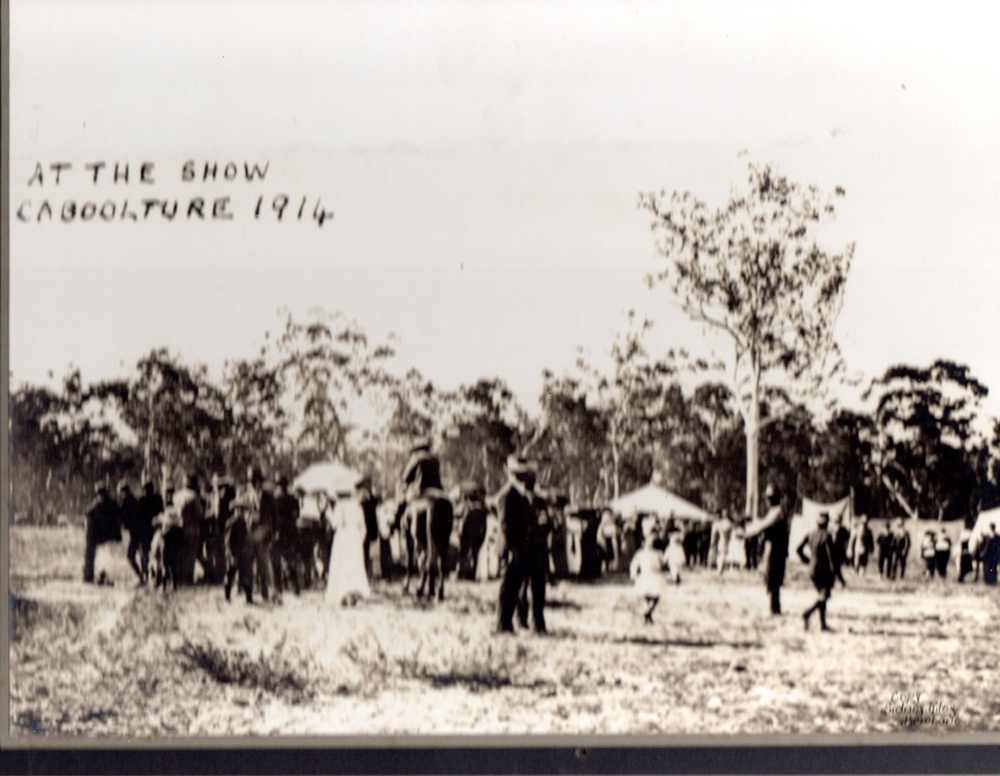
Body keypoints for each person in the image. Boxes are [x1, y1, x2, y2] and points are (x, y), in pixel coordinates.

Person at [496, 455, 546, 634]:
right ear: (511, 474)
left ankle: (506, 625)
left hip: (520, 549)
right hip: (511, 548)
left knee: (514, 587)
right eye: (518, 474)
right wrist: (511, 549)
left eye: (523, 474)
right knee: (509, 588)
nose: (522, 477)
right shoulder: (507, 495)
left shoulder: (520, 495)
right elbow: (505, 525)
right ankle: (502, 624)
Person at [232, 467, 278, 604]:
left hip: (262, 535)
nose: (253, 484)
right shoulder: (243, 494)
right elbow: (238, 512)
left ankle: (264, 594)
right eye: (251, 481)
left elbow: (275, 516)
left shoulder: (268, 497)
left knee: (262, 566)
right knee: (247, 567)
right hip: (248, 534)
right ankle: (249, 596)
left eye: (256, 481)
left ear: (260, 482)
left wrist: (274, 532)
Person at [744, 482, 790, 615]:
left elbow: (763, 525)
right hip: (773, 548)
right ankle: (775, 607)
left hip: (775, 549)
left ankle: (774, 608)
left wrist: (748, 532)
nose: (767, 501)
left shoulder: (778, 511)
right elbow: (763, 524)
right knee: (771, 578)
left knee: (773, 578)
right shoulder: (774, 511)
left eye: (769, 498)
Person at [325, 477, 371, 606]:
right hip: (355, 536)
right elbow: (363, 529)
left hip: (343, 536)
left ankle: (344, 593)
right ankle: (355, 592)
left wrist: (328, 513)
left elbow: (336, 523)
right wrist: (358, 540)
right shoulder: (358, 507)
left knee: (342, 564)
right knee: (355, 565)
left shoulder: (340, 506)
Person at [797, 511, 846, 632]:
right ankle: (807, 613)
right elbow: (831, 558)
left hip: (812, 570)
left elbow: (798, 549)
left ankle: (823, 625)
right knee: (825, 595)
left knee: (821, 595)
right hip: (824, 571)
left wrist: (808, 560)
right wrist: (839, 577)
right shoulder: (826, 536)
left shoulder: (810, 534)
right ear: (827, 523)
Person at [83, 482, 122, 584]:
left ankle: (102, 576)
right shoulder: (112, 503)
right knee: (107, 558)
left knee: (104, 557)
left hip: (103, 537)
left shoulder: (97, 505)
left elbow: (88, 512)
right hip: (110, 537)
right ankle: (104, 576)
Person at [272, 474, 302, 597]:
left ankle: (278, 589)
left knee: (276, 562)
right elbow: (297, 515)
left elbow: (274, 518)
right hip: (291, 534)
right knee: (289, 562)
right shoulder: (293, 499)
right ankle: (295, 589)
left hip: (279, 533)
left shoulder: (275, 499)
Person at [630, 532, 665, 624]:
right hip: (653, 576)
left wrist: (633, 574)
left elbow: (634, 565)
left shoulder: (640, 553)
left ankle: (648, 613)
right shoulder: (658, 554)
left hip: (645, 576)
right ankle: (648, 613)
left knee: (649, 596)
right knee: (655, 597)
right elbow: (663, 564)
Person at [118, 479, 145, 584]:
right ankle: (144, 576)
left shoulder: (126, 500)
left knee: (130, 556)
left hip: (135, 532)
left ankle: (140, 577)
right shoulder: (133, 499)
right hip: (139, 531)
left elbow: (121, 516)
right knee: (141, 555)